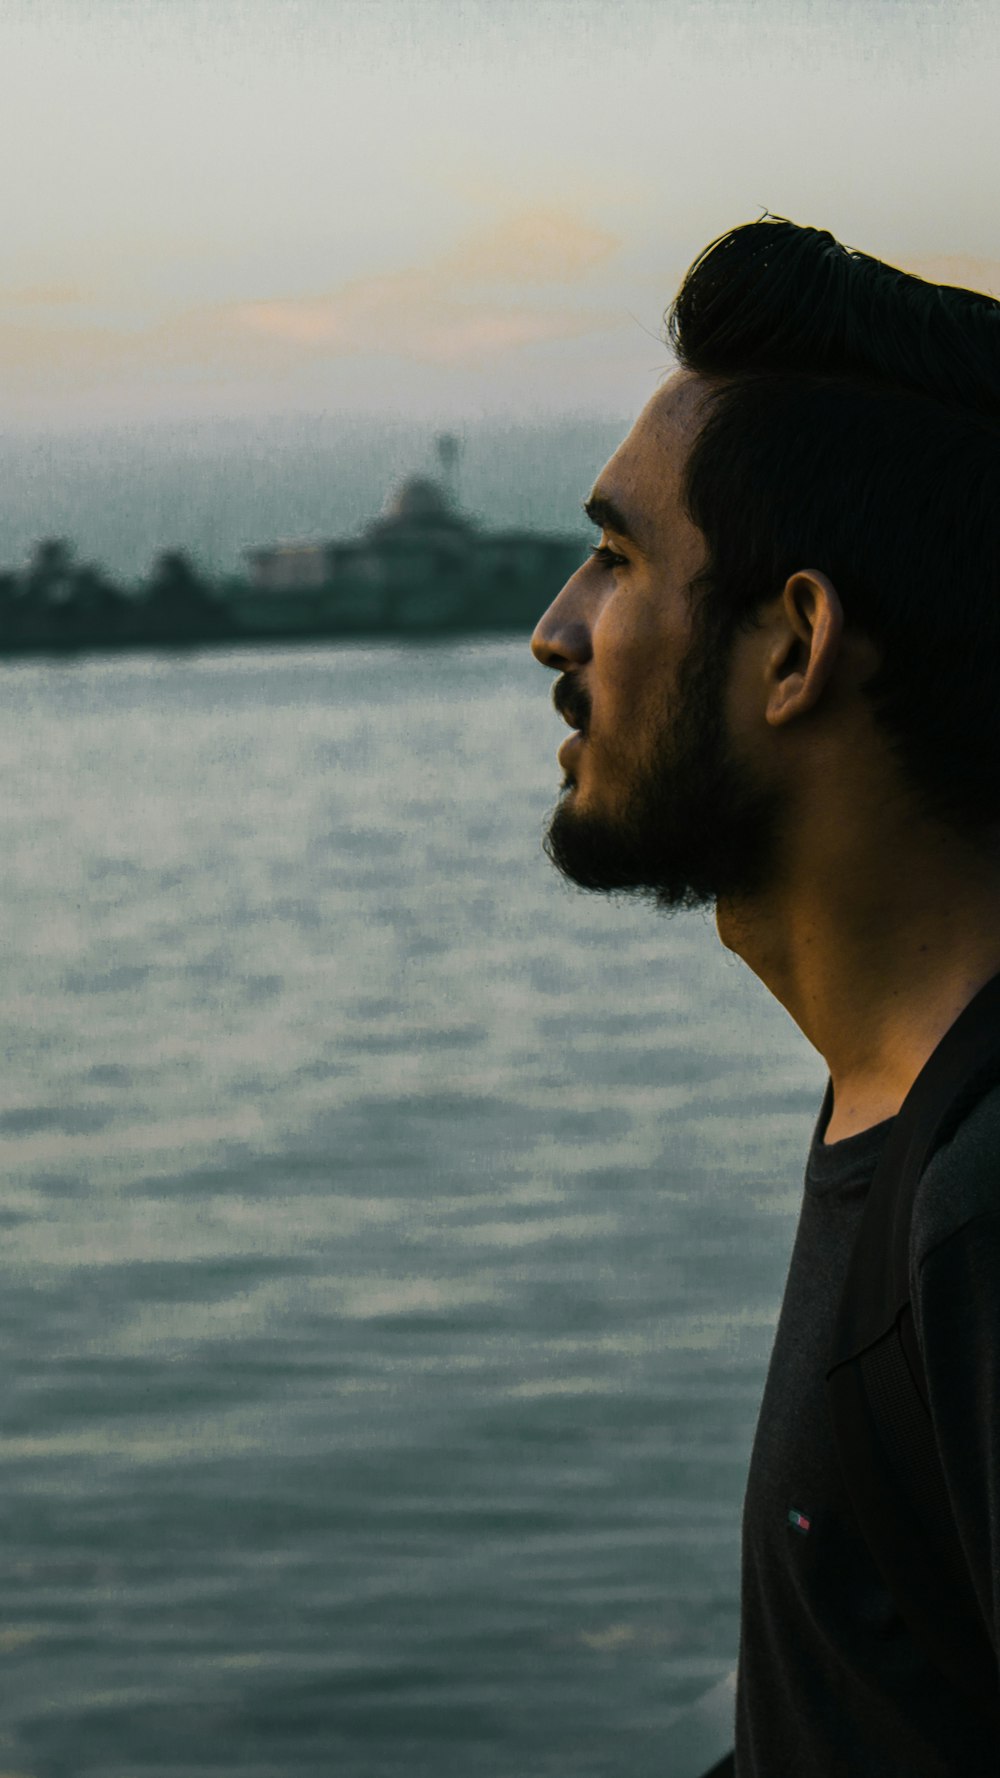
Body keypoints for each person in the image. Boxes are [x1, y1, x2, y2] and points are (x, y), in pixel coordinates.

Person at [529, 217, 1000, 1775]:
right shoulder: (897, 1106)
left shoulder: (985, 1211)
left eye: (616, 556)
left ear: (794, 643)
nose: (555, 629)